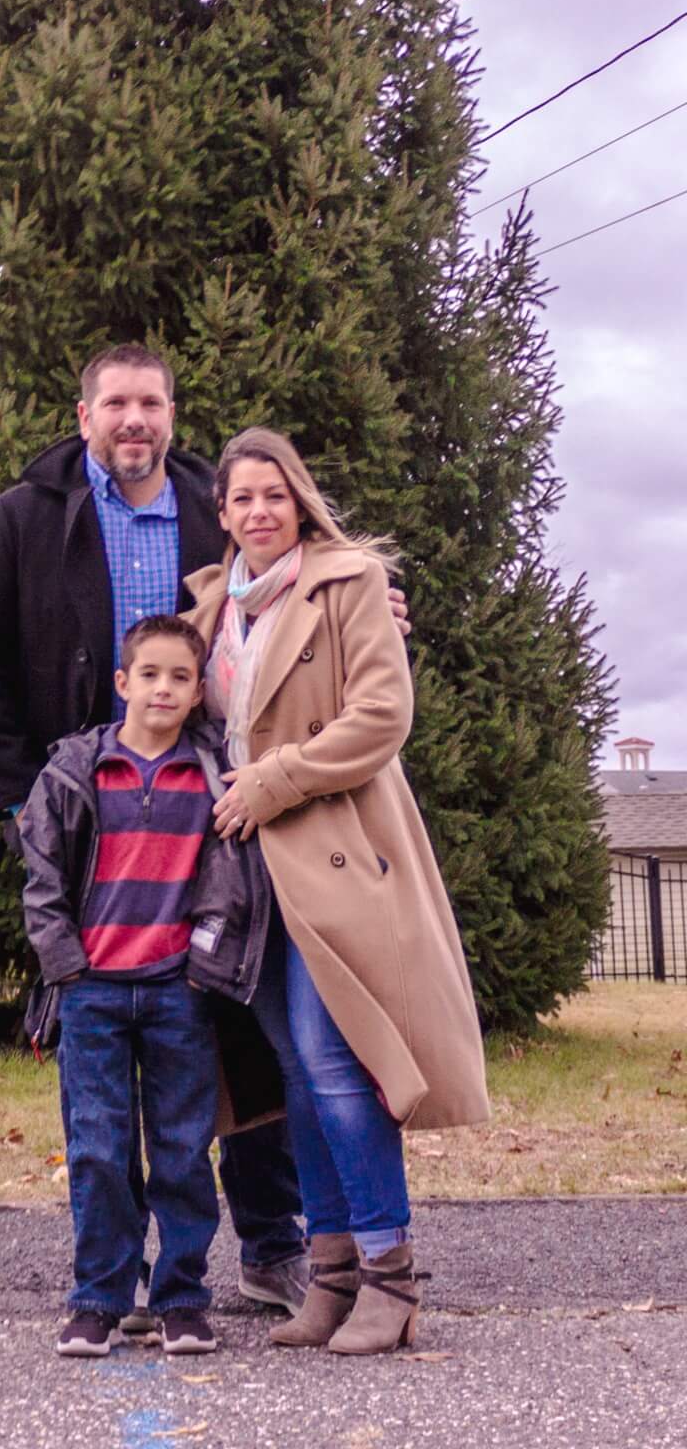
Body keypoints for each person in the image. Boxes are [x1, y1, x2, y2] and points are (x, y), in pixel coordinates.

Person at [0, 344, 335, 1314]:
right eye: (115, 401)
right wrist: (19, 805)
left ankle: (269, 1246)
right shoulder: (27, 515)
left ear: (171, 412)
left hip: (212, 808)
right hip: (93, 824)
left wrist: (377, 601)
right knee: (104, 1048)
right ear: (83, 415)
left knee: (237, 1026)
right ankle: (111, 1272)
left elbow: (300, 579)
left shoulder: (211, 501)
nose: (134, 418)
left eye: (150, 401)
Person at [187, 426, 489, 1354]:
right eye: (241, 499)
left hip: (333, 851)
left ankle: (391, 1281)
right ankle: (331, 1282)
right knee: (293, 1076)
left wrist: (273, 780)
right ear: (224, 513)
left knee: (334, 1062)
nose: (258, 512)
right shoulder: (207, 605)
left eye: (274, 495)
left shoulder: (347, 580)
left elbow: (382, 717)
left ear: (299, 500)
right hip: (247, 874)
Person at [17, 615, 226, 1358]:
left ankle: (182, 1298)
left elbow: (230, 882)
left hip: (179, 992)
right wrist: (66, 966)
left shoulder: (212, 774)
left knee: (181, 1151)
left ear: (199, 690)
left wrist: (205, 967)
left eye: (180, 677)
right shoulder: (75, 771)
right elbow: (40, 878)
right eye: (150, 675)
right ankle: (99, 1298)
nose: (164, 688)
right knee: (99, 1149)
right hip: (94, 992)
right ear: (122, 682)